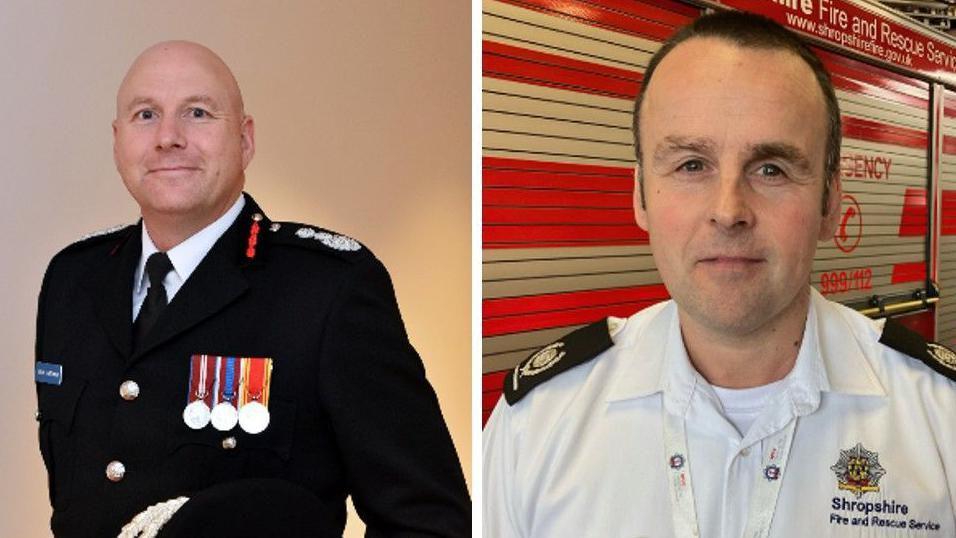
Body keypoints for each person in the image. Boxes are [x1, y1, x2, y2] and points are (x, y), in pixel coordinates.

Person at [483, 11, 956, 537]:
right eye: (691, 165)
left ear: (830, 202)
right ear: (640, 195)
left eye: (771, 169)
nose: (729, 210)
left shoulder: (942, 422)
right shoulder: (537, 423)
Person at [34, 40, 470, 537]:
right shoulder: (72, 280)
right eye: (145, 114)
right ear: (117, 141)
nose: (168, 137)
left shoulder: (328, 289)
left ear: (245, 140)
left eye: (197, 112)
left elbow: (429, 521)